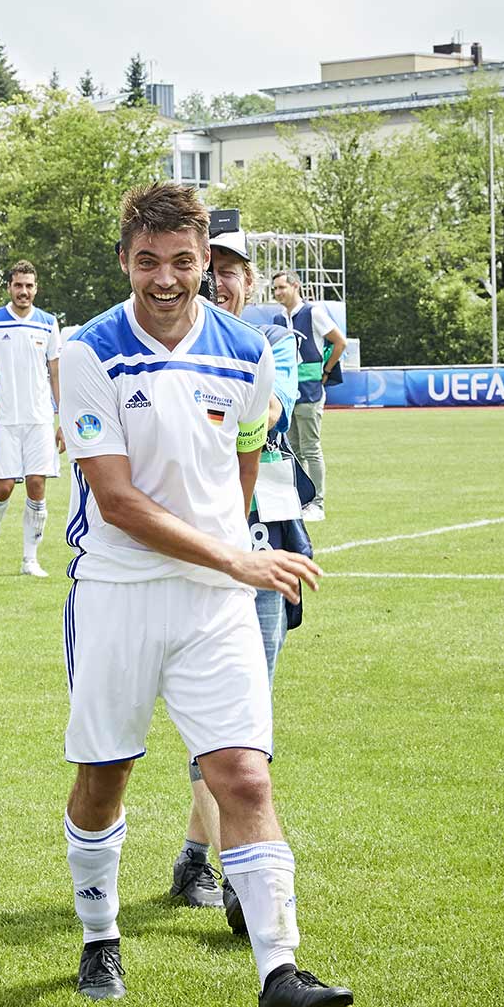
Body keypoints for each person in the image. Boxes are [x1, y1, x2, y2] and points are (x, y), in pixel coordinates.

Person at [57, 183, 350, 1007]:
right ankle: (99, 935)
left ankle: (281, 975)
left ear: (204, 262)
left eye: (182, 261)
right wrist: (237, 554)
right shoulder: (88, 352)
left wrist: (235, 546)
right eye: (148, 261)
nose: (166, 278)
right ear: (125, 261)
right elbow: (115, 500)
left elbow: (247, 448)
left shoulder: (248, 350)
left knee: (244, 779)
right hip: (118, 592)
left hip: (215, 600)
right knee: (104, 776)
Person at [170, 229, 311, 916]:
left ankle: (199, 855)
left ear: (249, 283)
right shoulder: (176, 348)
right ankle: (233, 874)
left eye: (233, 272)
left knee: (248, 714)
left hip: (267, 535)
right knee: (219, 710)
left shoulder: (269, 343)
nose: (222, 281)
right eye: (213, 269)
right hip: (200, 543)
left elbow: (274, 407)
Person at [0, 259, 63, 578]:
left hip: (39, 420)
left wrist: (63, 417)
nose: (24, 291)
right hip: (5, 420)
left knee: (37, 485)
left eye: (29, 286)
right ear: (9, 287)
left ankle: (29, 559)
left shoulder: (48, 323)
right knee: (5, 487)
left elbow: (56, 372)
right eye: (18, 285)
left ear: (36, 288)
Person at [270, 273, 345, 522]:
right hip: (286, 393)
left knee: (311, 447)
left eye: (282, 287)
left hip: (310, 389)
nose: (278, 292)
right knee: (293, 448)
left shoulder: (313, 313)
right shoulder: (278, 319)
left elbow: (339, 342)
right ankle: (300, 500)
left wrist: (325, 370)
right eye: (275, 289)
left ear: (295, 286)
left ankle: (318, 503)